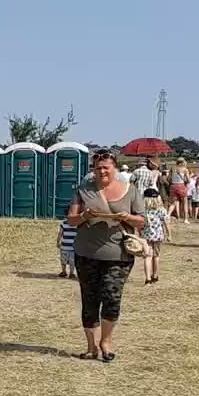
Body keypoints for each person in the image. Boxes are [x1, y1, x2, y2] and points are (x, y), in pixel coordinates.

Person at [65, 150, 146, 363]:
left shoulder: (130, 191)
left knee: (112, 297)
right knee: (89, 299)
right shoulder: (83, 191)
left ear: (115, 168)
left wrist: (127, 216)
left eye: (106, 167)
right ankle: (91, 347)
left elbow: (141, 221)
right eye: (98, 167)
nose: (102, 171)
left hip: (118, 255)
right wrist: (84, 216)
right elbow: (71, 220)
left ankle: (106, 342)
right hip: (87, 253)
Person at [139, 188, 169, 284]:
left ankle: (147, 278)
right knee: (156, 256)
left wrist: (139, 233)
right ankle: (155, 275)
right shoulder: (161, 210)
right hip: (158, 235)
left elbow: (139, 224)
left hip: (146, 236)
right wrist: (169, 234)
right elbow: (166, 223)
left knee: (147, 256)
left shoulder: (143, 211)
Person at [169, 157, 191, 223]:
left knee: (173, 203)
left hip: (173, 186)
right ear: (183, 162)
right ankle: (185, 219)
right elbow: (188, 180)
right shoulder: (185, 169)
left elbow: (169, 178)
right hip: (181, 185)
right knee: (185, 202)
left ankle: (167, 215)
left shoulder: (172, 168)